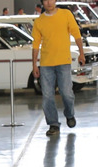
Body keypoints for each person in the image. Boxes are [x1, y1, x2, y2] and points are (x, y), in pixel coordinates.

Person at [32, 0, 85, 136]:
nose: (49, 3)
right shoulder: (39, 21)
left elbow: (76, 33)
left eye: (52, 0)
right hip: (46, 64)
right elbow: (36, 44)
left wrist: (81, 53)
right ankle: (53, 124)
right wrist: (34, 64)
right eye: (46, 0)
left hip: (63, 61)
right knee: (48, 96)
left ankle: (69, 114)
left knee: (66, 93)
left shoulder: (66, 14)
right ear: (42, 3)